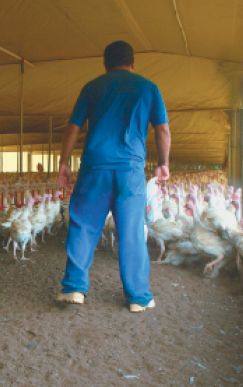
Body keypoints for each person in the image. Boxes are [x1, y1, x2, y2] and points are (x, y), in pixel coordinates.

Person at [55, 40, 171, 313]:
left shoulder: (92, 87)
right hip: (130, 171)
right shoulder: (148, 87)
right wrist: (163, 163)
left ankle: (74, 288)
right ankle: (138, 297)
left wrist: (63, 162)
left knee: (83, 225)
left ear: (105, 64)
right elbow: (163, 130)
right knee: (131, 231)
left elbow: (73, 127)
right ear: (132, 63)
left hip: (94, 167)